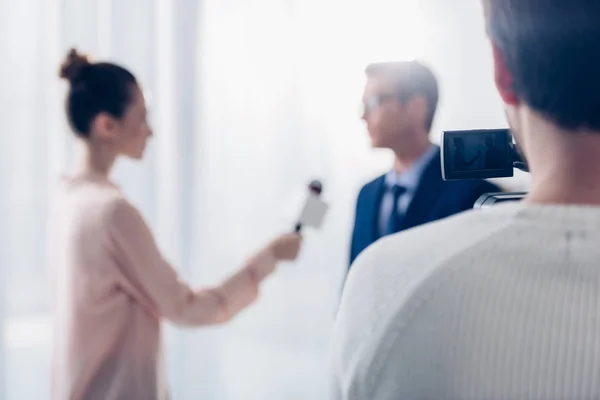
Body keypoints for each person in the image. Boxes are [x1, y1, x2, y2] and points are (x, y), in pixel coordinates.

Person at [330, 0, 600, 399]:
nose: (363, 116)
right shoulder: (367, 201)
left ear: (502, 69)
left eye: (375, 102)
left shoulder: (468, 198)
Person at [48, 49, 302, 400]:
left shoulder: (67, 200)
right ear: (107, 125)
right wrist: (269, 257)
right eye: (142, 116)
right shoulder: (111, 213)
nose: (150, 130)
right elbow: (189, 309)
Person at [349, 61, 499, 267]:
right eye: (363, 104)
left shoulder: (476, 195)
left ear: (417, 107)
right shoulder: (366, 195)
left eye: (374, 102)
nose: (363, 115)